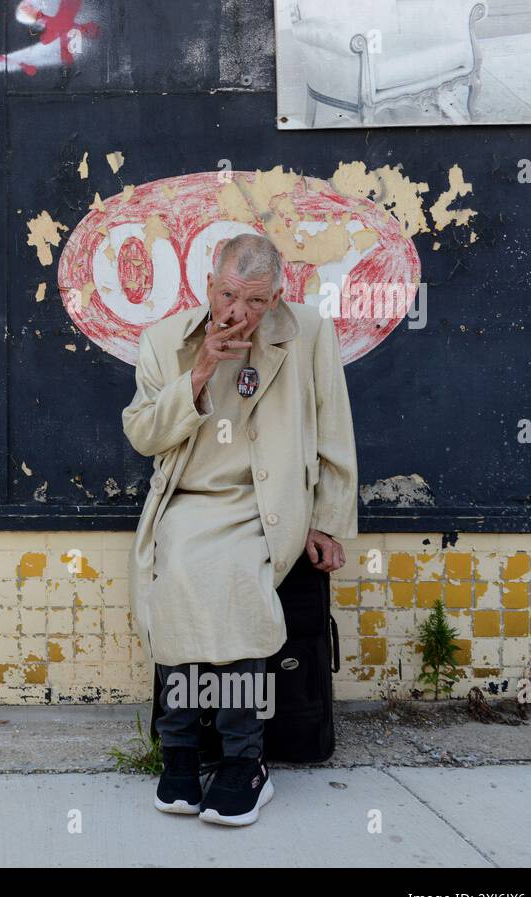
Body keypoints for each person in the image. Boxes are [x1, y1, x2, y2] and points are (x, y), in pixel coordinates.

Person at [122, 233, 358, 826]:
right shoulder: (164, 342)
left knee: (233, 581)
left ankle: (242, 762)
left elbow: (334, 432)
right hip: (190, 502)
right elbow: (144, 435)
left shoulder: (307, 333)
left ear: (277, 296)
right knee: (176, 572)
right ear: (209, 285)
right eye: (228, 295)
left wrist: (329, 520)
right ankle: (178, 747)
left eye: (255, 302)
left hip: (267, 507)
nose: (237, 313)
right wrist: (198, 373)